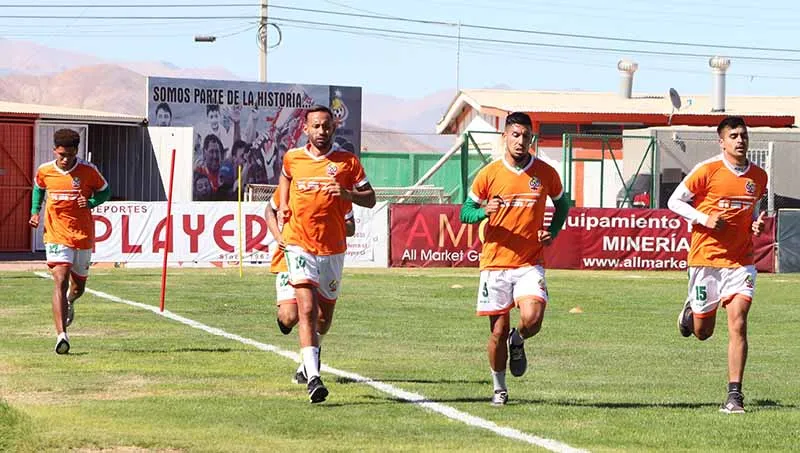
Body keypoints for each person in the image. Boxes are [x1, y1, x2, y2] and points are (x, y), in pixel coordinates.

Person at [459, 112, 570, 406]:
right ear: (505, 137)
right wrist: (484, 211)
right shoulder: (489, 174)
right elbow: (464, 212)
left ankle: (518, 339)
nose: (520, 141)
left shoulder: (545, 173)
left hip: (529, 262)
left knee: (532, 319)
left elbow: (563, 204)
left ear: (531, 139)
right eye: (515, 135)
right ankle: (499, 387)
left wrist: (552, 231)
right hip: (494, 263)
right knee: (496, 332)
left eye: (526, 136)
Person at [668, 116, 768, 414]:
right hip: (706, 260)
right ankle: (690, 314)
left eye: (743, 135)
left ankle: (734, 395)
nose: (740, 140)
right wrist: (704, 218)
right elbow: (675, 201)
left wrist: (755, 225)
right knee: (703, 332)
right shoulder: (708, 170)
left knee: (738, 322)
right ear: (721, 141)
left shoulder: (758, 177)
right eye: (734, 135)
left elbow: (752, 211)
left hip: (741, 262)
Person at [277, 105, 376, 403]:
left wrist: (347, 195)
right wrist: (283, 204)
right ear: (305, 129)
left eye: (326, 126)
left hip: (332, 249)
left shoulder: (348, 162)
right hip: (299, 244)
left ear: (334, 128)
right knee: (305, 310)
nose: (322, 131)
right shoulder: (293, 158)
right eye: (316, 126)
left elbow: (370, 198)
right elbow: (285, 176)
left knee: (323, 320)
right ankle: (314, 378)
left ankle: (304, 363)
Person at [29, 129, 111, 354]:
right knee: (60, 278)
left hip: (82, 235)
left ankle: (70, 301)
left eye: (71, 155)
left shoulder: (88, 171)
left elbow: (105, 191)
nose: (66, 159)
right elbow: (38, 188)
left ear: (77, 151)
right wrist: (35, 211)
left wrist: (92, 201)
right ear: (55, 150)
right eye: (62, 154)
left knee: (78, 287)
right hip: (56, 234)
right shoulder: (45, 170)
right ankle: (61, 335)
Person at [265, 191, 355, 384]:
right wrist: (278, 235)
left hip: (325, 256)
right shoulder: (293, 183)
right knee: (289, 317)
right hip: (292, 254)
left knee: (321, 318)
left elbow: (351, 226)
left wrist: (329, 223)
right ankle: (311, 362)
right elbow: (269, 209)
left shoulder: (335, 189)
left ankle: (311, 357)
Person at [195, 134, 223, 199]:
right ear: (204, 153)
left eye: (217, 151)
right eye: (211, 151)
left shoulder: (225, 172)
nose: (215, 156)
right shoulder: (198, 172)